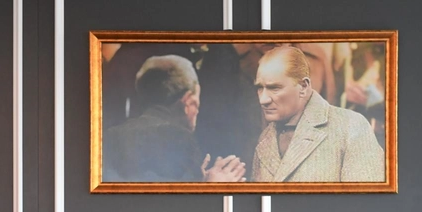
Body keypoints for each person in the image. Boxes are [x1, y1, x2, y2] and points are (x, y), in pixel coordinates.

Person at [103, 54, 245, 183]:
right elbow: (176, 199)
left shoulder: (111, 135)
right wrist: (211, 185)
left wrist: (197, 177)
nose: (197, 112)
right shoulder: (179, 138)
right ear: (188, 101)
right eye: (196, 104)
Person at [251, 46, 384, 183]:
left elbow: (366, 194)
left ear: (303, 86)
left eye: (274, 88)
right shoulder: (265, 138)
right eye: (260, 88)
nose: (263, 100)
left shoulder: (351, 127)